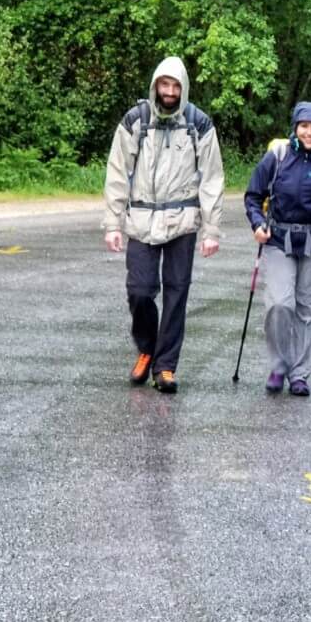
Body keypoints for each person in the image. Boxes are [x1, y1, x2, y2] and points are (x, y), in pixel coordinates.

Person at [103, 57, 224, 394]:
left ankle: (166, 366)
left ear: (183, 89)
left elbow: (212, 179)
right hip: (141, 219)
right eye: (164, 85)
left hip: (182, 222)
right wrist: (113, 223)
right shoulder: (136, 120)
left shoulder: (199, 124)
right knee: (140, 292)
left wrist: (211, 230)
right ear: (155, 85)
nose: (169, 92)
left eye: (175, 86)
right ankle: (146, 347)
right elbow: (117, 173)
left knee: (176, 293)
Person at [244, 102, 311, 396]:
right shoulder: (277, 157)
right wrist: (257, 224)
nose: (309, 132)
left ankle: (299, 374)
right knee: (280, 303)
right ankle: (279, 366)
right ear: (294, 127)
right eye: (304, 126)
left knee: (307, 308)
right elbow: (253, 196)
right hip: (279, 240)